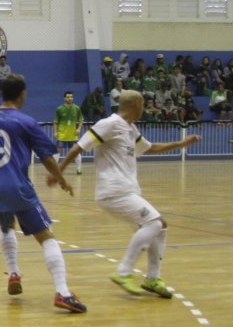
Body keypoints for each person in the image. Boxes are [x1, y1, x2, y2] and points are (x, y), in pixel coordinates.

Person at [0, 74, 85, 313]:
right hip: (18, 189)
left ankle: (14, 273)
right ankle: (63, 292)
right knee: (47, 236)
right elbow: (46, 157)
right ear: (22, 93)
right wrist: (61, 178)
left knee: (6, 228)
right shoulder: (26, 122)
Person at [58, 90, 201, 300]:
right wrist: (58, 174)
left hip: (126, 190)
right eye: (143, 104)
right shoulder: (109, 123)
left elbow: (149, 148)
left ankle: (153, 278)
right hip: (113, 190)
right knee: (154, 224)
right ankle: (123, 272)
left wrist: (180, 144)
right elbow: (78, 147)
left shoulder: (130, 129)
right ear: (136, 104)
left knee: (160, 227)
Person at [54, 90, 84, 174]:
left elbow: (81, 119)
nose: (70, 98)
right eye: (68, 97)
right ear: (64, 98)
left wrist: (78, 129)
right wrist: (55, 132)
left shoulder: (77, 108)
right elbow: (55, 122)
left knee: (76, 151)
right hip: (62, 134)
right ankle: (55, 170)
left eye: (71, 97)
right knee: (58, 150)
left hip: (72, 135)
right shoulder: (59, 109)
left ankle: (79, 169)